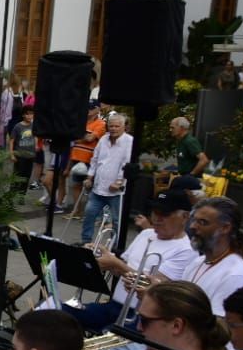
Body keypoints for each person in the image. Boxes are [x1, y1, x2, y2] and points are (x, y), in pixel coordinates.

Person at [70, 192, 196, 333]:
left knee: (99, 347)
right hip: (114, 306)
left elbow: (157, 287)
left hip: (141, 317)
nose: (157, 218)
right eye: (154, 212)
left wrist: (116, 264)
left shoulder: (186, 250)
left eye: (165, 214)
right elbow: (119, 268)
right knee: (56, 314)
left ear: (185, 217)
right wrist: (100, 256)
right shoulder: (146, 234)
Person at [82, 113, 131, 245]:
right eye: (111, 126)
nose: (113, 128)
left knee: (116, 220)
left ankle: (116, 245)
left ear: (123, 127)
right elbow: (95, 159)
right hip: (99, 187)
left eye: (117, 126)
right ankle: (85, 241)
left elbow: (126, 164)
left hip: (116, 191)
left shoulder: (129, 142)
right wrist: (89, 177)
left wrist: (119, 182)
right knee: (89, 214)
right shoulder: (103, 139)